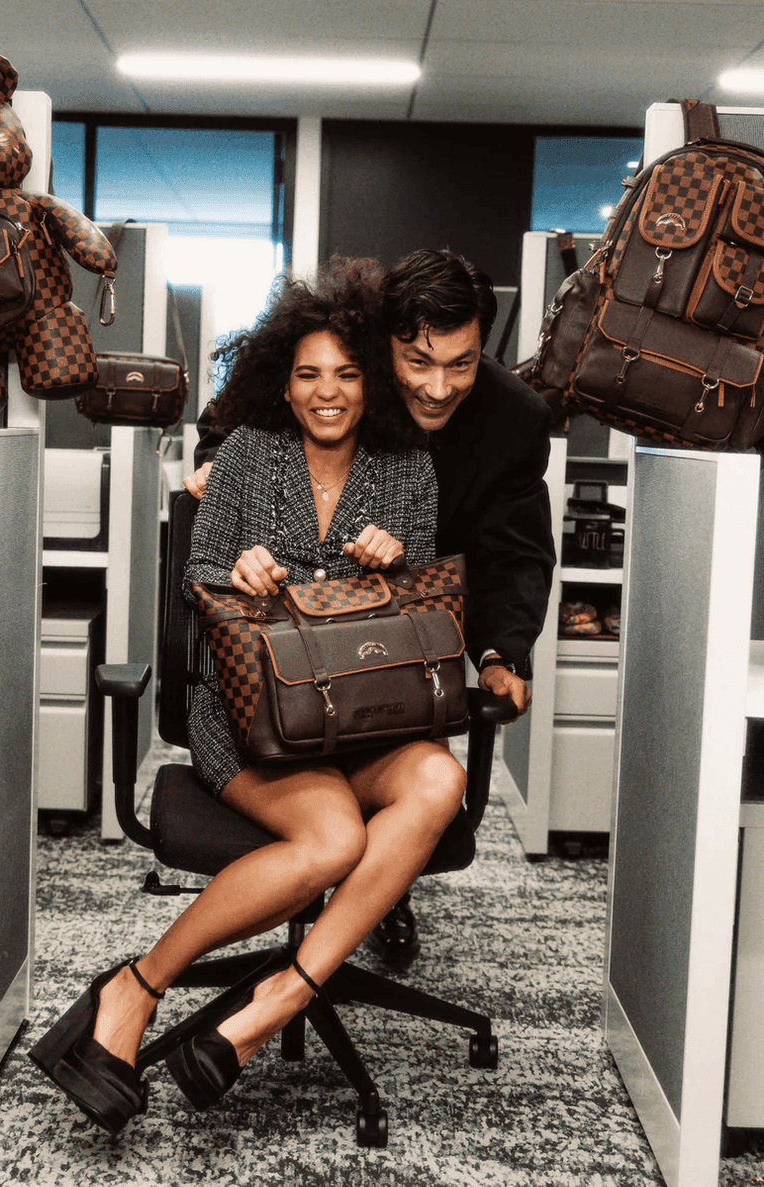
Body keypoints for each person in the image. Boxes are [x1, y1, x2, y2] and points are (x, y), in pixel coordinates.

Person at [30, 257, 470, 1133]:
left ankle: (281, 994)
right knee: (334, 838)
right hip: (257, 718)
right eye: (308, 374)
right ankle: (137, 984)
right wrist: (237, 569)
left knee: (440, 779)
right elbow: (196, 574)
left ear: (372, 382)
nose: (327, 393)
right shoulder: (245, 456)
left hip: (365, 717)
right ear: (282, 379)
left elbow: (422, 607)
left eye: (347, 373)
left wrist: (395, 565)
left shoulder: (409, 468)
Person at [187, 247, 556, 964]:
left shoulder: (512, 419)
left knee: (409, 740)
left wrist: (501, 652)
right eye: (418, 361)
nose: (439, 387)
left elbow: (515, 551)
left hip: (404, 634)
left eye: (462, 363)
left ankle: (377, 894)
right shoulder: (339, 377)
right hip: (284, 651)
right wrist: (216, 468)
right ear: (384, 345)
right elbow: (247, 405)